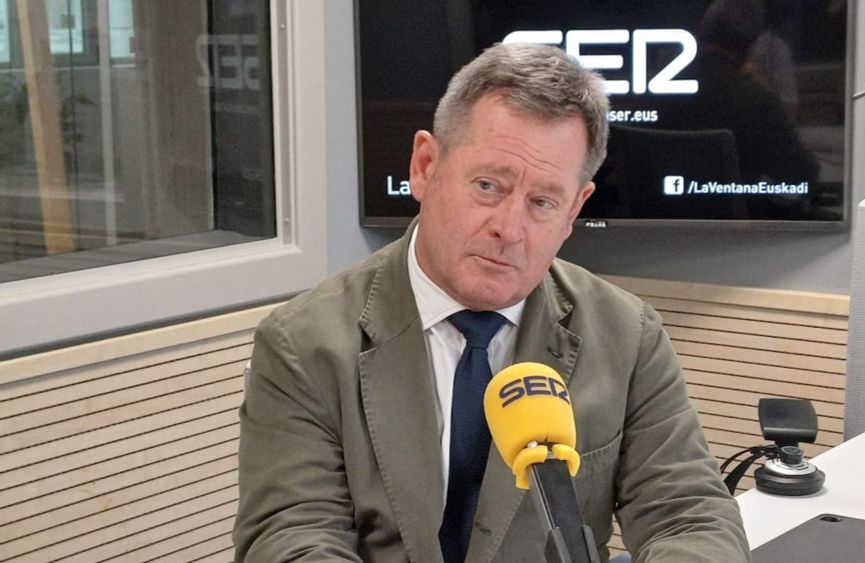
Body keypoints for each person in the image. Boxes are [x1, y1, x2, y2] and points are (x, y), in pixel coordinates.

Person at [233, 43, 749, 562]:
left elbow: (690, 516)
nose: (510, 229)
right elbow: (291, 537)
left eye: (542, 202)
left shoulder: (627, 335)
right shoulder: (302, 343)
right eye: (487, 186)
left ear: (575, 210)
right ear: (425, 165)